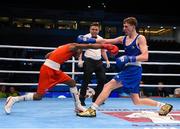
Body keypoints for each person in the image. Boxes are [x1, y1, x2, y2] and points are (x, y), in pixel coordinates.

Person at [76, 17, 173, 117]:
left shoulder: (140, 38)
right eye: (123, 26)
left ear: (133, 26)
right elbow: (105, 41)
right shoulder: (123, 38)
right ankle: (164, 105)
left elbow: (145, 56)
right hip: (129, 70)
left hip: (133, 70)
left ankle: (92, 109)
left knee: (107, 86)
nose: (124, 28)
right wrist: (89, 40)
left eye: (126, 26)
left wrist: (129, 58)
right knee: (136, 101)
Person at [4, 42, 119, 115]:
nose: (80, 55)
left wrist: (56, 53)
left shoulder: (65, 47)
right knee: (38, 96)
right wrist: (105, 46)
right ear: (78, 48)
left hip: (56, 70)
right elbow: (89, 45)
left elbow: (47, 56)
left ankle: (78, 106)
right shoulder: (73, 46)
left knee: (72, 82)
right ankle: (13, 100)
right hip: (48, 69)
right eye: (80, 53)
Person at [78, 22, 110, 106]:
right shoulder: (85, 38)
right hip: (89, 61)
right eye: (93, 29)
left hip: (99, 62)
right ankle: (81, 100)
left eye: (96, 29)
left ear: (99, 30)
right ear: (90, 29)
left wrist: (107, 60)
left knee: (102, 80)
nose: (94, 31)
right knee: (86, 81)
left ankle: (96, 98)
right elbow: (80, 49)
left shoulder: (101, 39)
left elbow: (103, 50)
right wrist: (80, 59)